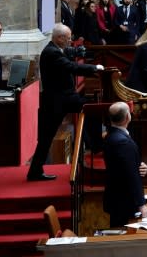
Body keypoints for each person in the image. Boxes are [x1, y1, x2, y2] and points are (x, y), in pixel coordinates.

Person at [28, 24, 104, 181]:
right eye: (68, 38)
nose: (70, 41)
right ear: (59, 38)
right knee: (46, 138)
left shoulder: (55, 50)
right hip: (58, 100)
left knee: (91, 109)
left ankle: (96, 145)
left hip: (63, 98)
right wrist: (94, 67)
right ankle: (34, 172)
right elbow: (71, 67)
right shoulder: (51, 53)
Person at [103, 102, 147, 227]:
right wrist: (141, 204)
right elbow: (130, 175)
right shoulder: (122, 141)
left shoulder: (111, 135)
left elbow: (123, 166)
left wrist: (139, 165)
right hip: (124, 202)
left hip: (117, 199)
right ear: (128, 117)